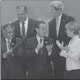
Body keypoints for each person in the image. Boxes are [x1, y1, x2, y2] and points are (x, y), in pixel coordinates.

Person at [48, 0, 74, 79]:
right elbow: (51, 38)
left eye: (52, 10)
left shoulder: (69, 20)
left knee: (69, 75)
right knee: (58, 76)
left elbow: (73, 36)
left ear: (59, 10)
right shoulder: (51, 23)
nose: (51, 12)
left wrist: (66, 49)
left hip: (68, 53)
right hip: (56, 55)